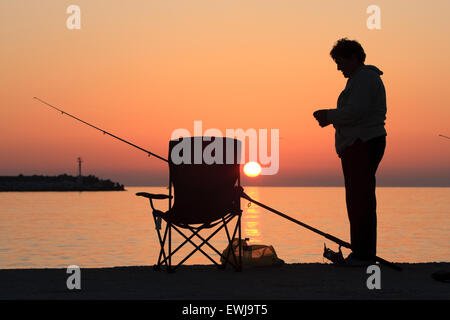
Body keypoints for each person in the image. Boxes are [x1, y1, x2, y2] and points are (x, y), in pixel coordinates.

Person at [313, 38, 387, 265]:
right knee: (358, 198)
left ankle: (363, 255)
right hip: (359, 143)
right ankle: (362, 252)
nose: (338, 67)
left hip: (362, 143)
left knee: (360, 199)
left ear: (354, 58)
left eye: (340, 61)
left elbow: (356, 112)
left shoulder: (365, 78)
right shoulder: (359, 79)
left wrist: (328, 115)